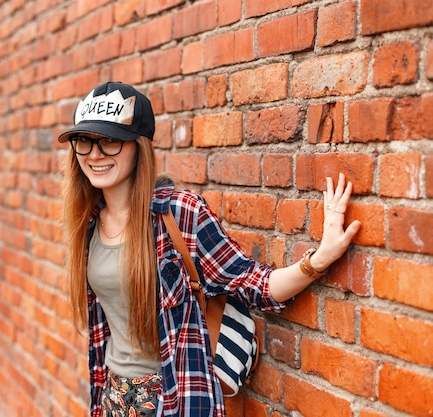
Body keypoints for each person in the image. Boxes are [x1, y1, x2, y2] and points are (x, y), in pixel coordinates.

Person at [58, 82, 361, 417]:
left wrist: (320, 258)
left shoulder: (179, 213)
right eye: (83, 141)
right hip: (113, 398)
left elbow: (254, 284)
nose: (95, 154)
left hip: (173, 399)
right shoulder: (89, 223)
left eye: (110, 141)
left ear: (138, 147)